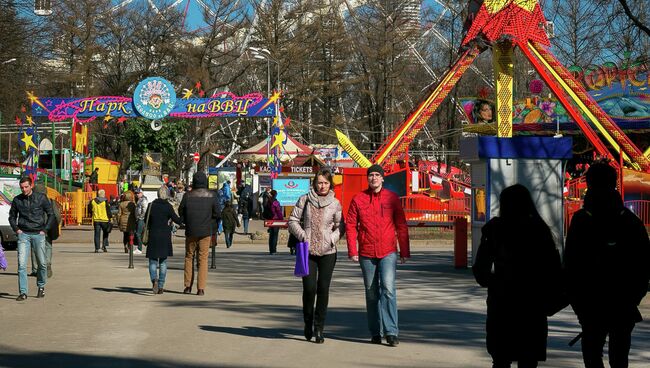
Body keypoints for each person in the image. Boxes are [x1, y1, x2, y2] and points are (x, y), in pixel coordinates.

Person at [565, 162, 650, 368]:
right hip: (623, 303)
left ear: (589, 184)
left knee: (592, 355)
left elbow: (571, 265)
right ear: (614, 184)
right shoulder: (630, 221)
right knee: (620, 357)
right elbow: (644, 264)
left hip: (590, 304)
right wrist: (633, 299)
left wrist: (578, 303)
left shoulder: (581, 220)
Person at [473, 184, 563, 368]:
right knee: (529, 361)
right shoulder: (540, 231)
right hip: (532, 306)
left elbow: (481, 273)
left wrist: (497, 283)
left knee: (501, 360)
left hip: (502, 306)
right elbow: (555, 272)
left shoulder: (495, 230)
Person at [345, 164, 410, 346]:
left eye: (376, 175)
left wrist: (404, 250)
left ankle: (391, 332)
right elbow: (350, 225)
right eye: (371, 175)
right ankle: (375, 332)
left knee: (388, 289)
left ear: (382, 178)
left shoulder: (392, 198)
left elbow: (401, 225)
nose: (373, 178)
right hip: (366, 252)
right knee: (371, 293)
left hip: (388, 251)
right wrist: (353, 250)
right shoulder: (358, 199)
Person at [288, 169, 343, 344]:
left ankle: (319, 327)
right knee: (309, 289)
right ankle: (308, 322)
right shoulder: (304, 199)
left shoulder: (335, 203)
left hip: (328, 252)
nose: (322, 186)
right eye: (320, 182)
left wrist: (333, 239)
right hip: (307, 251)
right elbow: (292, 221)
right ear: (314, 183)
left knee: (323, 289)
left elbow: (341, 225)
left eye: (326, 183)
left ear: (330, 184)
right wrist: (303, 235)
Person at [9, 176, 55, 301]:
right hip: (23, 234)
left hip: (38, 234)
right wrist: (17, 229)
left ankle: (41, 286)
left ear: (31, 185)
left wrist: (45, 230)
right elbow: (12, 216)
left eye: (26, 187)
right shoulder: (17, 200)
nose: (24, 190)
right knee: (21, 265)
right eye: (22, 187)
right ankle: (23, 292)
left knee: (42, 263)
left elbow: (51, 214)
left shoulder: (41, 198)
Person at [179, 172, 221, 296]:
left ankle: (187, 286)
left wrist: (186, 220)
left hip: (191, 230)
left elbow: (181, 210)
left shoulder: (188, 195)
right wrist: (211, 221)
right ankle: (201, 288)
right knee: (203, 259)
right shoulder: (212, 195)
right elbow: (218, 213)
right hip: (206, 231)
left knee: (189, 257)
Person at [145, 186, 182, 295]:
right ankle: (161, 286)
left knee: (152, 261)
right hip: (165, 236)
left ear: (157, 194)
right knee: (163, 261)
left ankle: (154, 280)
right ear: (166, 195)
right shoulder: (168, 207)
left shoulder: (151, 206)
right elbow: (177, 220)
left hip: (153, 235)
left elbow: (146, 219)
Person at [29, 185, 61, 278]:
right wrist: (54, 224)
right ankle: (47, 264)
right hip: (48, 228)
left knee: (34, 248)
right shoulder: (51, 202)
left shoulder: (31, 201)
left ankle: (35, 269)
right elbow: (57, 216)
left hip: (35, 228)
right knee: (48, 246)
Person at [267, 190, 283, 255]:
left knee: (271, 235)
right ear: (275, 195)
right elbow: (278, 211)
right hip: (276, 220)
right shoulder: (275, 202)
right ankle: (274, 250)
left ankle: (271, 249)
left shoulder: (269, 202)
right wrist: (281, 220)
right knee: (275, 235)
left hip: (270, 220)